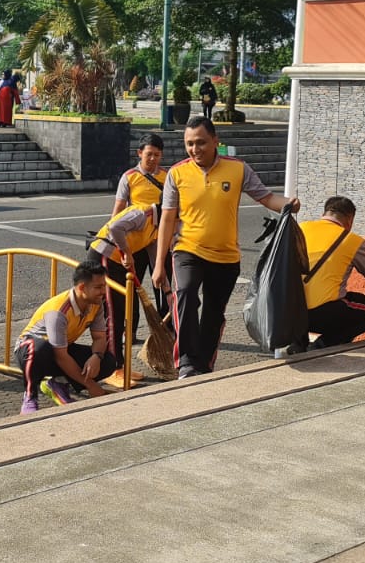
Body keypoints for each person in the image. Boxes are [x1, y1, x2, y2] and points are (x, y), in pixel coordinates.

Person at [154, 117, 298, 378]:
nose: (195, 149)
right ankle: (186, 361)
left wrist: (289, 204)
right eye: (189, 144)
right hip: (188, 249)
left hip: (226, 256)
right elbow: (167, 218)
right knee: (185, 293)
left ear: (215, 141)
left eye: (201, 143)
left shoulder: (238, 169)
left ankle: (204, 366)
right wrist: (158, 264)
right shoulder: (177, 173)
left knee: (213, 312)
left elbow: (265, 197)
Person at [17, 261, 118, 413]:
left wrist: (96, 357)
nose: (104, 291)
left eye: (104, 286)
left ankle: (58, 383)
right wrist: (91, 385)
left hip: (61, 349)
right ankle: (30, 396)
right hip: (32, 351)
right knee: (40, 348)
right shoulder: (58, 311)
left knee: (108, 361)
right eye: (98, 287)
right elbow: (61, 357)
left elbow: (99, 338)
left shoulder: (96, 303)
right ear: (82, 287)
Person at [85, 202, 160, 378]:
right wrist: (127, 252)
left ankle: (117, 365)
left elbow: (153, 253)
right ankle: (113, 368)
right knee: (113, 313)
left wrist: (164, 285)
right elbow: (115, 227)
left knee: (119, 311)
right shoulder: (143, 214)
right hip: (105, 256)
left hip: (117, 262)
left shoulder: (157, 225)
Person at [300, 197, 365, 349]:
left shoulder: (301, 228)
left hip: (286, 309)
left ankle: (297, 344)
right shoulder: (352, 241)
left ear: (325, 212)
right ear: (350, 219)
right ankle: (321, 346)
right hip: (320, 314)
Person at [113, 132, 170, 318]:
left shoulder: (168, 177)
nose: (153, 158)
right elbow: (118, 212)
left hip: (160, 241)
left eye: (157, 154)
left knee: (163, 284)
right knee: (132, 285)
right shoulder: (129, 177)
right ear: (139, 153)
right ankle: (130, 330)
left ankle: (166, 328)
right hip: (135, 242)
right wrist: (119, 246)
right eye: (149, 154)